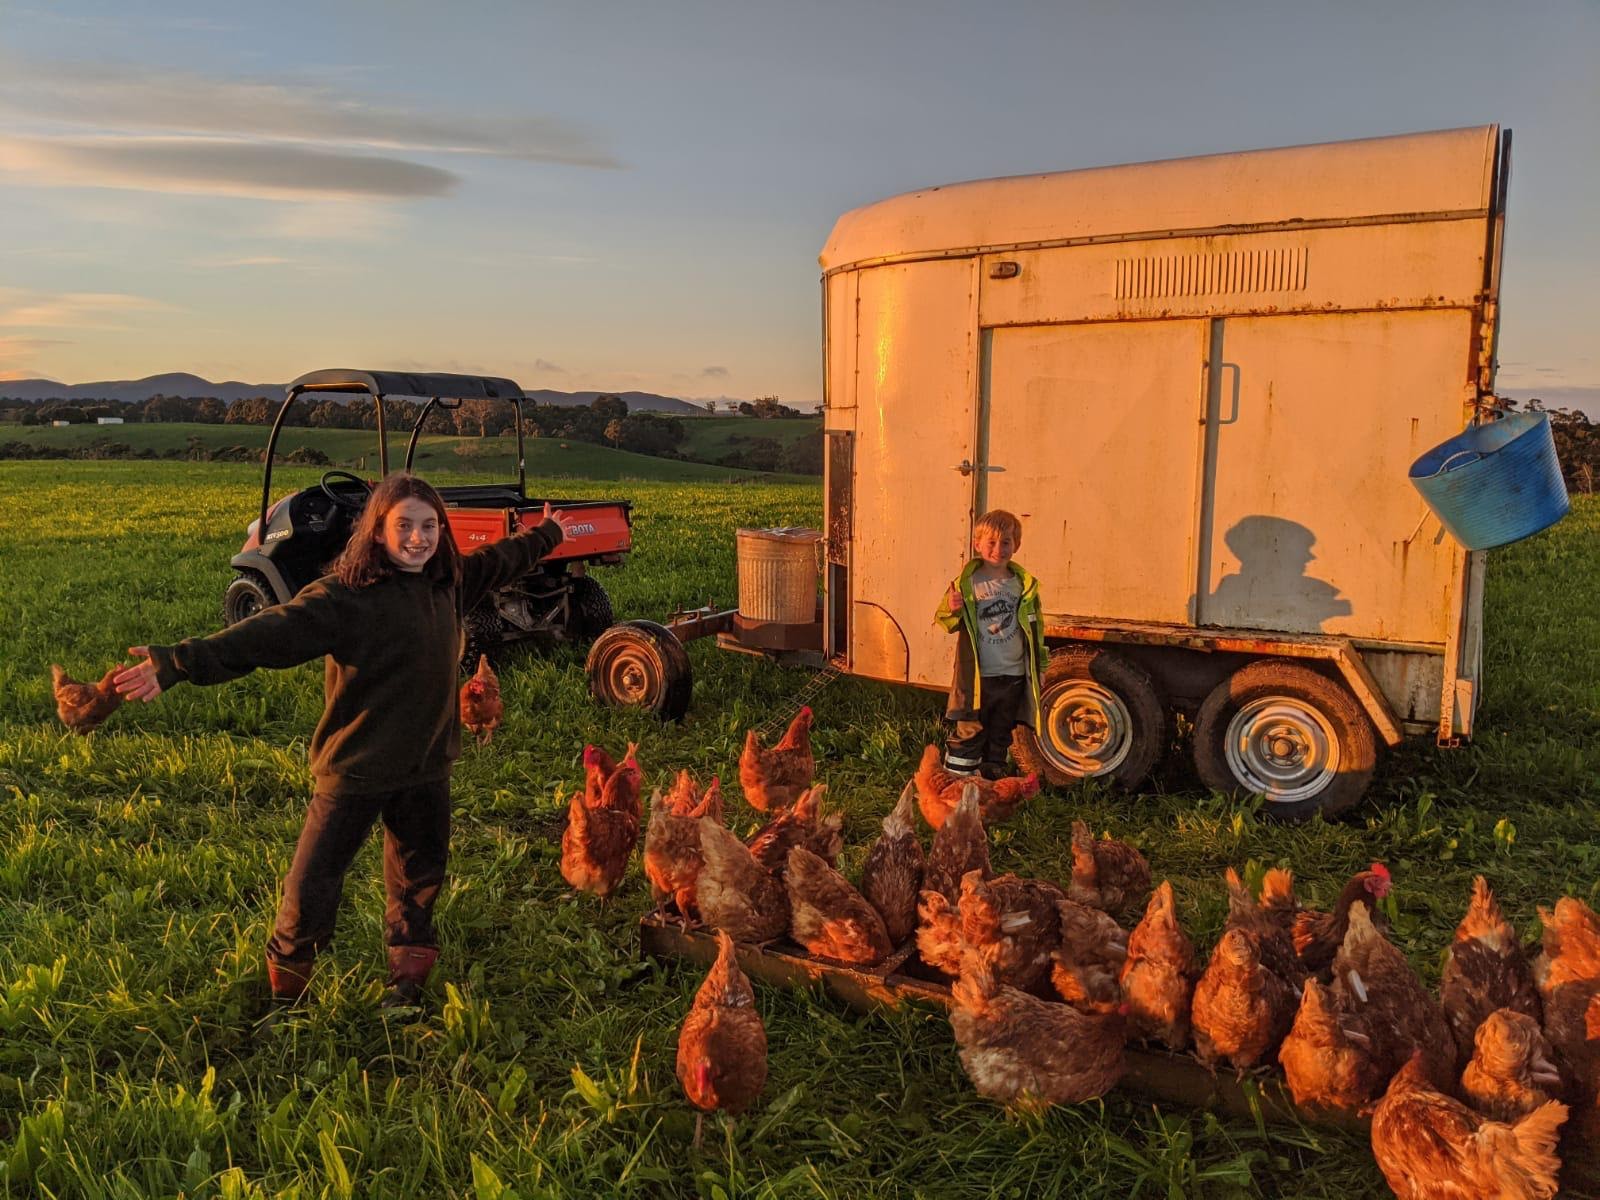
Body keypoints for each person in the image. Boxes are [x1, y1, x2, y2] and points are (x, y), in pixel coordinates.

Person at [113, 472, 565, 1009]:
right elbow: (265, 634)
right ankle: (288, 988)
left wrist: (549, 533)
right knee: (312, 882)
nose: (418, 538)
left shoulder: (450, 580)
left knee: (418, 879)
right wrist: (176, 663)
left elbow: (505, 557)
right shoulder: (344, 597)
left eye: (429, 526)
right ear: (377, 530)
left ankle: (406, 981)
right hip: (356, 768)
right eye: (405, 526)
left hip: (426, 767)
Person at [933, 509, 1046, 780]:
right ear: (978, 544)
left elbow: (1036, 630)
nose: (999, 549)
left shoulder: (1024, 585)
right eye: (991, 542)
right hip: (977, 679)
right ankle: (956, 788)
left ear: (1016, 545)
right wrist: (952, 608)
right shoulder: (967, 582)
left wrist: (1040, 666)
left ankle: (990, 790)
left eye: (1006, 542)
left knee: (1001, 734)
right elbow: (944, 621)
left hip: (1013, 676)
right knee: (969, 732)